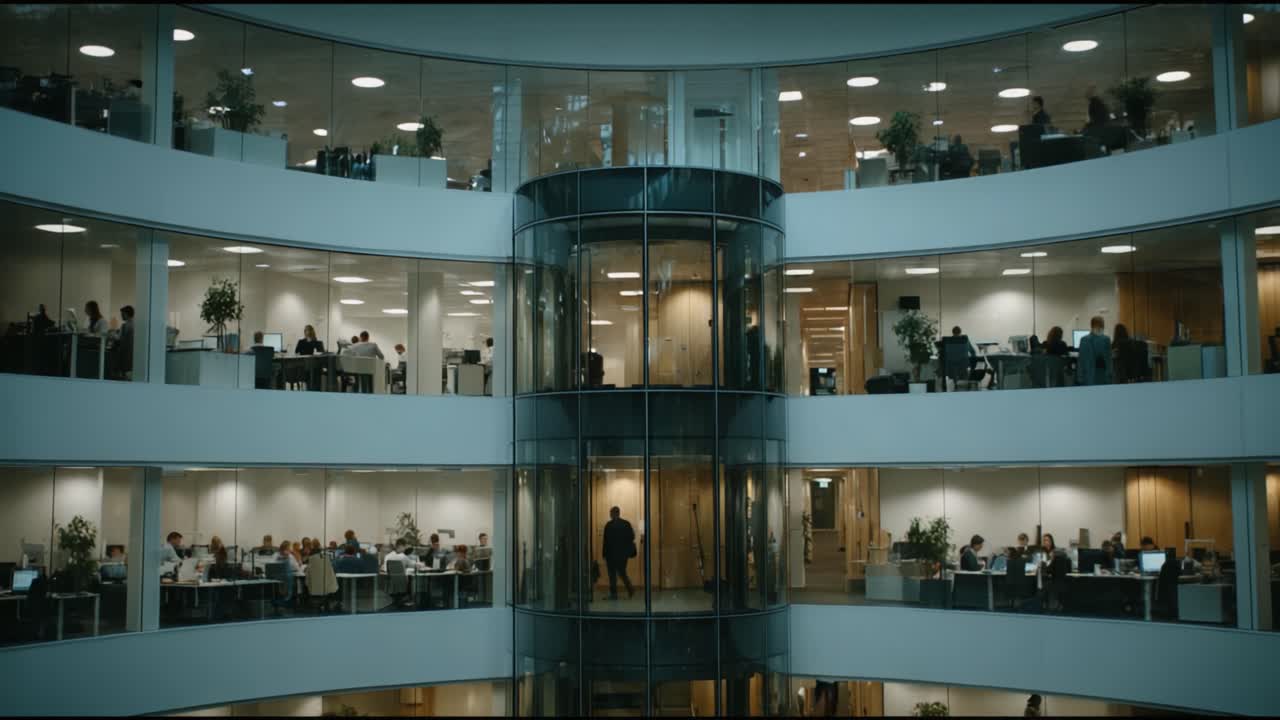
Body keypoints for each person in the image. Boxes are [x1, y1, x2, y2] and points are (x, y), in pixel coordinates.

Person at [602, 506, 636, 600]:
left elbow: (605, 541)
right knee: (622, 573)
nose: (610, 515)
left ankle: (614, 594)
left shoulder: (608, 525)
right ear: (619, 513)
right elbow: (632, 537)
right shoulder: (626, 524)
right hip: (622, 554)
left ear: (612, 514)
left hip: (611, 554)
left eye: (610, 513)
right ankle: (630, 589)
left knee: (612, 575)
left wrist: (604, 554)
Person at [1076, 315, 1113, 386]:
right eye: (1098, 326)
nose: (1099, 328)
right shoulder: (1085, 340)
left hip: (1097, 374)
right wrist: (1079, 376)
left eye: (1100, 326)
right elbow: (1081, 360)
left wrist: (1079, 377)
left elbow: (1109, 358)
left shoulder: (1105, 340)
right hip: (1095, 374)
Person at [116, 305, 135, 378]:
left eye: (122, 314)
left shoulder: (125, 325)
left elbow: (119, 338)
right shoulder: (136, 324)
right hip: (132, 353)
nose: (121, 316)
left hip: (125, 353)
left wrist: (111, 335)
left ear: (126, 314)